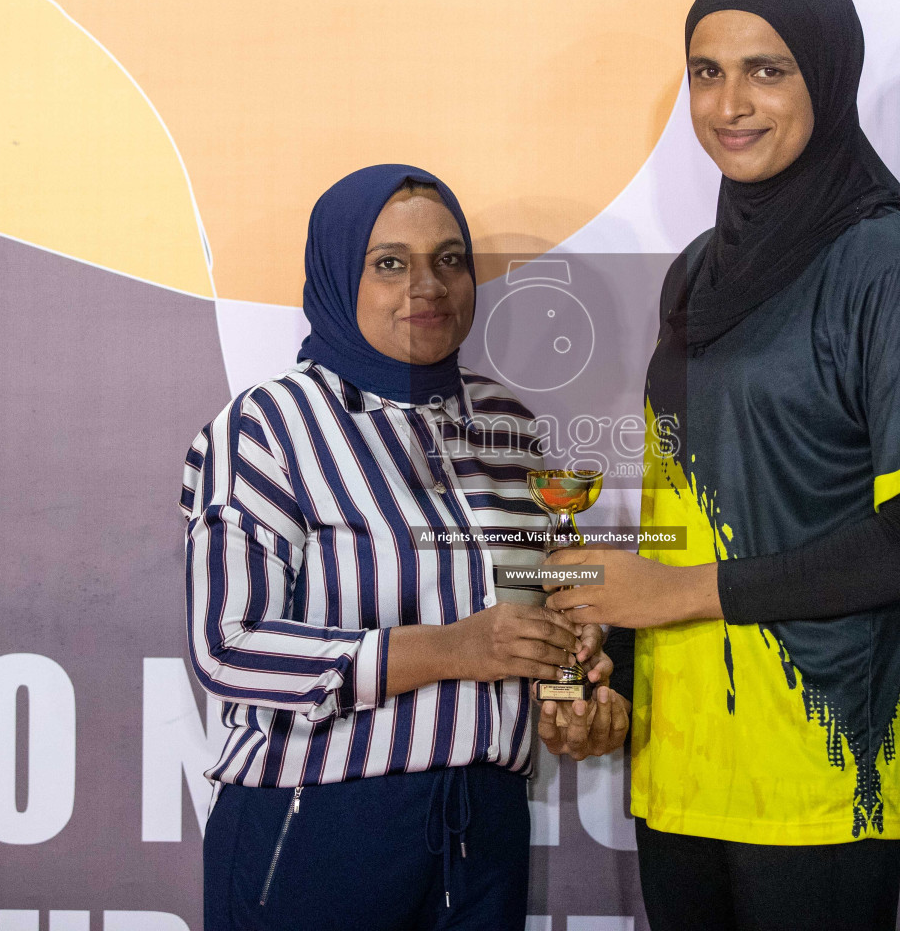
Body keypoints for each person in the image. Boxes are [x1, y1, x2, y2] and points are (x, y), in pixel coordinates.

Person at [544, 0, 900, 930]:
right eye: (707, 71)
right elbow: (682, 506)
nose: (729, 102)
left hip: (820, 767)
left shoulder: (898, 268)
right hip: (683, 759)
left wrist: (674, 593)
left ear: (825, 78)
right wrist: (611, 655)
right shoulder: (701, 272)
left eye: (767, 69)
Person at [182, 164, 624, 930]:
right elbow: (230, 648)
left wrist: (572, 693)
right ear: (334, 274)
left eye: (449, 260)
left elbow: (556, 602)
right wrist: (455, 650)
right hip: (319, 827)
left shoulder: (508, 425)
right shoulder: (267, 427)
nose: (427, 285)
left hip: (483, 832)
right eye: (389, 263)